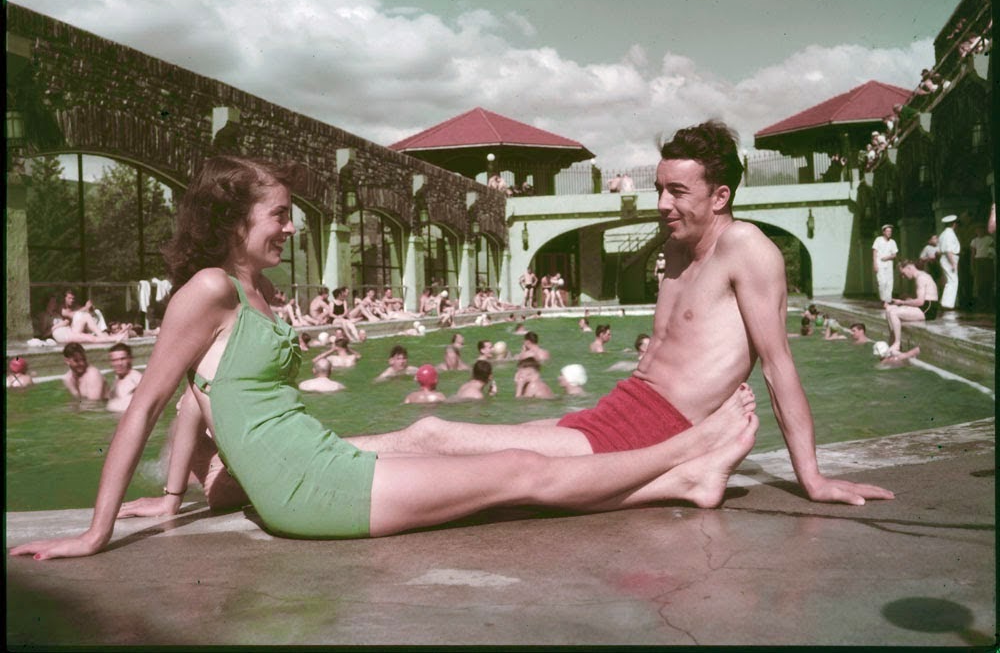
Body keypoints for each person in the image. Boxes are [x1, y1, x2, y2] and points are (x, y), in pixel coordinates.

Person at [11, 155, 762, 561]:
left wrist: (176, 496)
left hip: (310, 463)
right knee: (520, 475)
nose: (289, 226)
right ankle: (687, 461)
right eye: (278, 214)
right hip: (311, 489)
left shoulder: (255, 288)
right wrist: (96, 532)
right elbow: (150, 402)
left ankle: (680, 472)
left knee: (461, 449)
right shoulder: (210, 288)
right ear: (233, 218)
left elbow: (199, 398)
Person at [344, 121, 893, 508]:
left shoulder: (747, 249)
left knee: (439, 436)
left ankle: (288, 467)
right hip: (622, 410)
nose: (661, 204)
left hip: (658, 430)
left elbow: (778, 366)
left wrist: (812, 478)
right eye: (659, 189)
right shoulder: (677, 247)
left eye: (678, 191)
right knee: (461, 442)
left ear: (721, 195)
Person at [883, 259, 940, 353]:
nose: (903, 276)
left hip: (928, 309)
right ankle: (893, 342)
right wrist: (907, 299)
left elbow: (920, 302)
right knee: (889, 309)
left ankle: (897, 343)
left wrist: (902, 302)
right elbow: (920, 299)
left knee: (894, 313)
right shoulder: (920, 276)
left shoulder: (921, 278)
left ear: (909, 268)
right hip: (924, 306)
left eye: (903, 273)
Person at [106, 343, 143, 413]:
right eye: (114, 360)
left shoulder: (136, 379)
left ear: (130, 359)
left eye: (122, 359)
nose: (119, 363)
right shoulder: (118, 378)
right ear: (110, 363)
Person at [938, 214, 961, 312]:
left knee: (951, 281)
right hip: (949, 258)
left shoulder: (944, 233)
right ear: (954, 224)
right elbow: (948, 250)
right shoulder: (949, 234)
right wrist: (953, 263)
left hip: (948, 258)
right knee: (952, 281)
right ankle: (947, 304)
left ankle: (949, 303)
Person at [969, 225, 995, 311]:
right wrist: (972, 265)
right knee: (980, 283)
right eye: (977, 230)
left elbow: (992, 251)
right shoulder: (974, 241)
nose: (979, 231)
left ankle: (989, 303)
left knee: (988, 282)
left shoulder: (989, 239)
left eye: (981, 229)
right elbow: (973, 254)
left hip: (987, 261)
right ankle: (982, 303)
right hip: (978, 262)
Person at [871, 224, 898, 304]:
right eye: (887, 231)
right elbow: (874, 252)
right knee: (882, 282)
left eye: (890, 231)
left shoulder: (893, 242)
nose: (889, 233)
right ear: (883, 232)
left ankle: (888, 301)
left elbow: (894, 255)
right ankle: (883, 299)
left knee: (889, 282)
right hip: (880, 263)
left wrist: (887, 258)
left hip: (889, 263)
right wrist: (875, 264)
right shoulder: (878, 240)